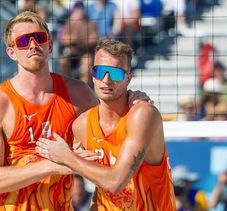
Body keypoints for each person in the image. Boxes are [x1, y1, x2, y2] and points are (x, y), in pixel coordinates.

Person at [0, 11, 150, 210]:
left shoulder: (77, 94)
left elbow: (112, 133)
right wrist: (53, 165)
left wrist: (133, 100)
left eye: (39, 38)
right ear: (12, 52)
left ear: (49, 45)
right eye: (24, 41)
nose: (33, 45)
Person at [37, 38, 176, 210]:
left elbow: (115, 182)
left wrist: (66, 156)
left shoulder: (142, 114)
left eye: (115, 73)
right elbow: (102, 186)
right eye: (100, 71)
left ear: (128, 79)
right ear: (93, 75)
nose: (107, 79)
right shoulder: (82, 124)